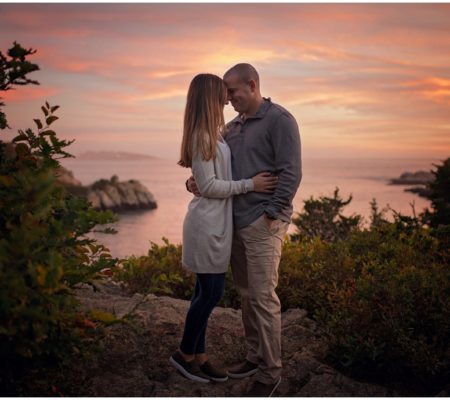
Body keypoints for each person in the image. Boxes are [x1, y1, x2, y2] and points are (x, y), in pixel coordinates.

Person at [187, 64, 302, 396]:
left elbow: (291, 173)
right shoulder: (232, 127)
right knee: (248, 296)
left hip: (262, 223)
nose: (227, 98)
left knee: (264, 297)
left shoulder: (280, 120)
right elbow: (215, 167)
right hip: (234, 223)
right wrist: (196, 181)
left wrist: (271, 215)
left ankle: (270, 372)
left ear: (252, 86)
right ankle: (254, 356)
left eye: (232, 91)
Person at [169, 73, 278, 384]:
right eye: (223, 93)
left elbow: (204, 181)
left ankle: (199, 357)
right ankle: (184, 355)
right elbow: (210, 184)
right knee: (211, 292)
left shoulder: (216, 133)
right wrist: (251, 185)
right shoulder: (202, 135)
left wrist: (195, 183)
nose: (227, 98)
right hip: (206, 226)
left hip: (216, 224)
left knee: (203, 291)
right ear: (210, 96)